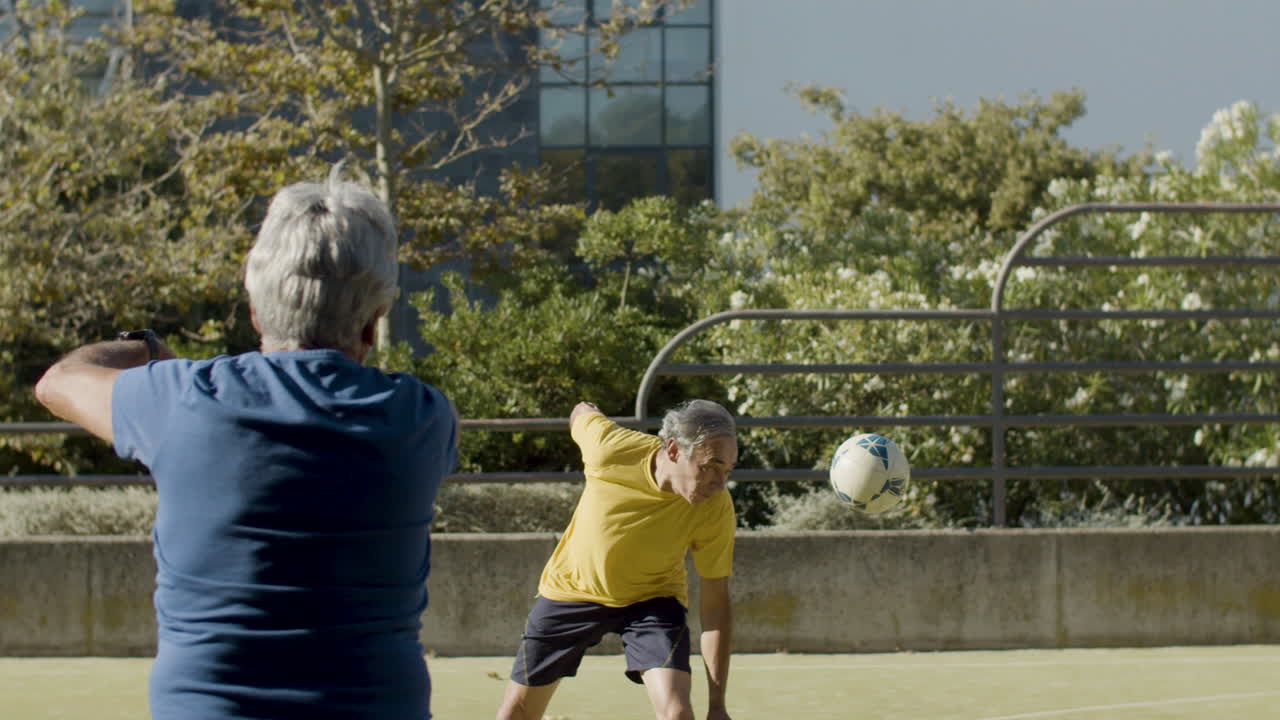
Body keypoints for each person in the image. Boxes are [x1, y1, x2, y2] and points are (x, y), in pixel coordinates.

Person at [34, 167, 458, 720]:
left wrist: (152, 355)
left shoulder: (181, 399)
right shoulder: (423, 419)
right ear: (373, 324)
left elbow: (58, 382)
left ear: (256, 310)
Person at [496, 399, 738, 720]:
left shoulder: (715, 506)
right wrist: (587, 409)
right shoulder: (610, 450)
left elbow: (715, 606)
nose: (720, 483)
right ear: (675, 450)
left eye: (728, 470)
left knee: (677, 713)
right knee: (515, 713)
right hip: (572, 590)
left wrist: (717, 706)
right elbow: (580, 414)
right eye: (711, 466)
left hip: (653, 600)